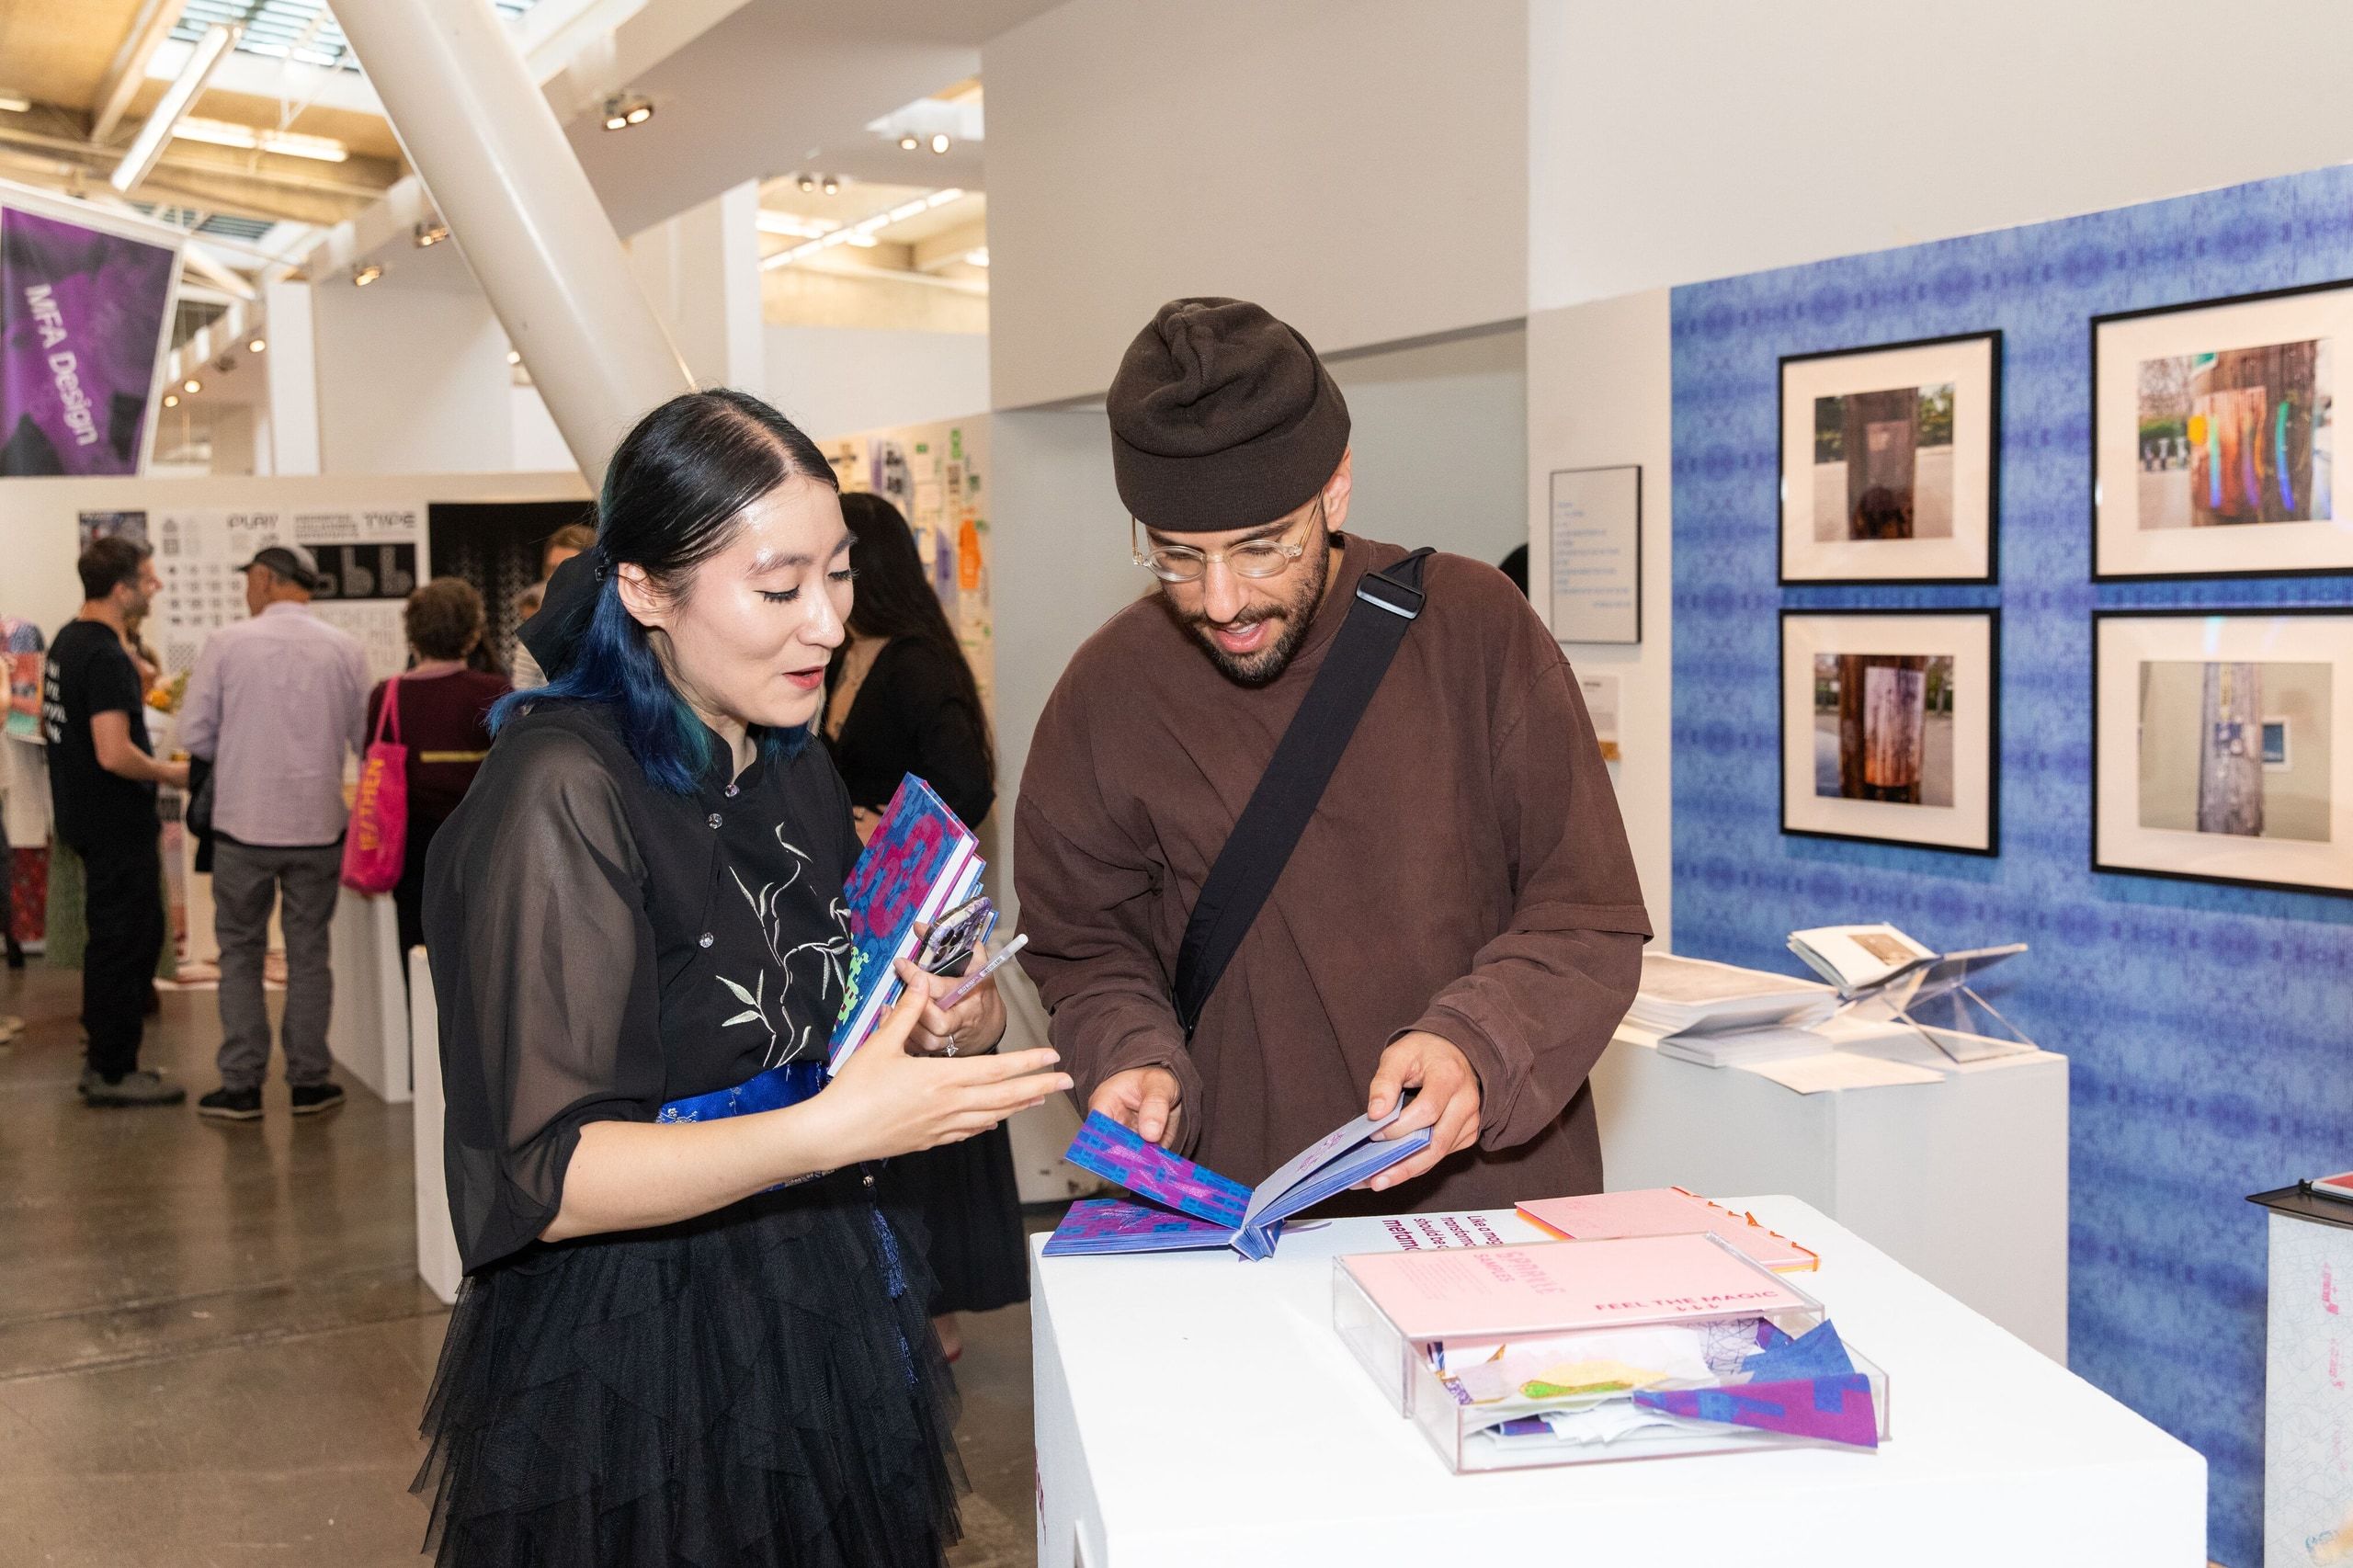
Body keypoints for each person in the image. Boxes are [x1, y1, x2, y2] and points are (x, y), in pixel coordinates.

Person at [415, 389, 1069, 1567]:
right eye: (777, 589)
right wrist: (831, 1127)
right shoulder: (561, 793)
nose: (825, 623)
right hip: (634, 1340)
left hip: (816, 1289)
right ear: (646, 589)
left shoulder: (789, 759)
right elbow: (549, 1172)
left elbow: (810, 1021)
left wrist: (932, 1020)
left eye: (838, 574)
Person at [1016, 298, 1651, 1212]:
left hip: (1480, 1213)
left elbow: (1584, 917)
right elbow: (1085, 951)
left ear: (1336, 489)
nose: (1222, 599)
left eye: (1260, 547)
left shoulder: (1473, 628)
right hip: (1236, 1220)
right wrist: (1130, 1056)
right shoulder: (1105, 691)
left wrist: (1476, 1042)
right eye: (1177, 556)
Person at [823, 491, 1024, 1361]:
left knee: (928, 1068)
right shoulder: (837, 657)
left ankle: (930, 1307)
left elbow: (967, 782)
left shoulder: (914, 664)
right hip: (860, 912)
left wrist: (891, 828)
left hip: (919, 913)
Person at [177, 544, 370, 1121]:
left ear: (264, 579)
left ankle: (240, 1085)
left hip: (243, 826)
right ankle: (310, 1083)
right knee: (310, 952)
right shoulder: (347, 650)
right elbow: (365, 737)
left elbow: (196, 734)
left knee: (240, 953)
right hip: (317, 826)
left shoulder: (227, 644)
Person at [40, 538, 187, 1106]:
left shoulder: (68, 642)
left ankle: (112, 1062)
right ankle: (111, 1070)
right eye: (148, 580)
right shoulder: (102, 655)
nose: (157, 588)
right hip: (113, 822)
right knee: (125, 943)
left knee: (116, 940)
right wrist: (170, 776)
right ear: (121, 589)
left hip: (84, 817)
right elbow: (113, 752)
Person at [366, 578, 509, 963]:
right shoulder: (494, 690)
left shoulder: (388, 694)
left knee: (414, 951)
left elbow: (373, 761)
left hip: (409, 842)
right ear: (472, 636)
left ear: (412, 635)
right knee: (479, 956)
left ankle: (420, 1024)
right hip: (482, 839)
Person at [508, 521, 597, 689]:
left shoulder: (618, 625)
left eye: (567, 568)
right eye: (552, 569)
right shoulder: (537, 634)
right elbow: (524, 701)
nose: (556, 577)